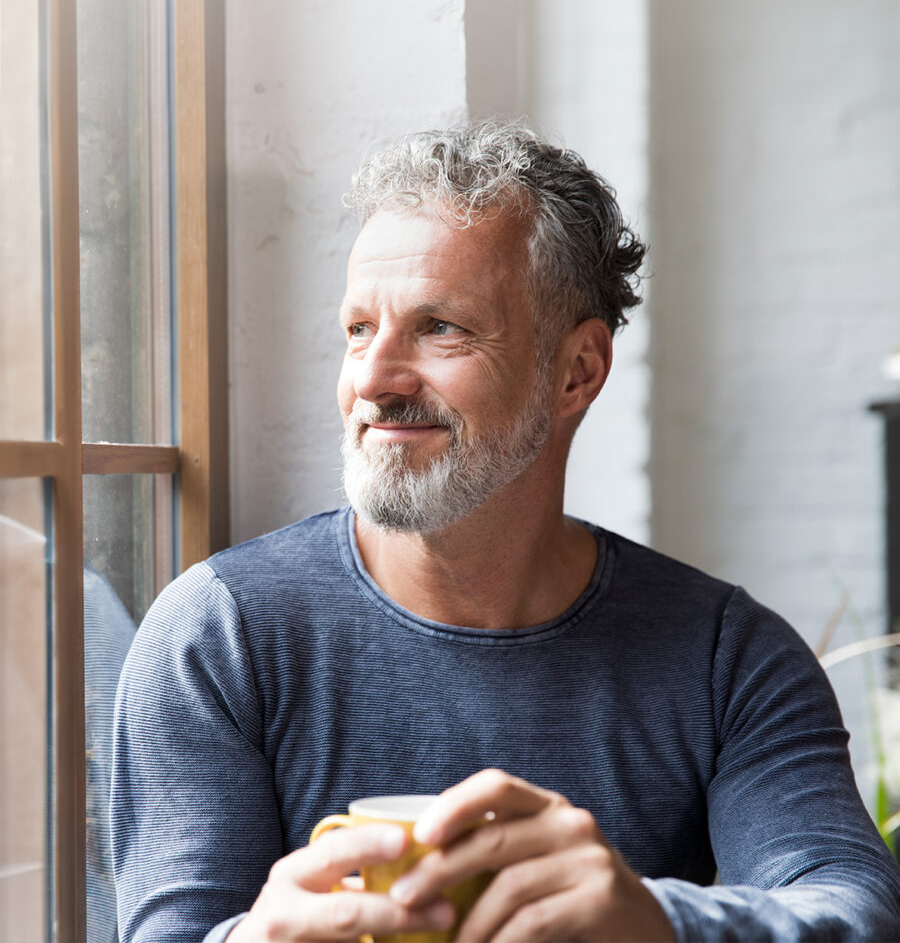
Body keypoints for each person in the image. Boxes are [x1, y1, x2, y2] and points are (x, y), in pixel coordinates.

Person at [112, 121, 900, 943]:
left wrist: (655, 919)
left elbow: (855, 911)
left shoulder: (725, 657)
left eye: (440, 327)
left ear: (576, 371)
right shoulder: (218, 635)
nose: (373, 379)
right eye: (358, 329)